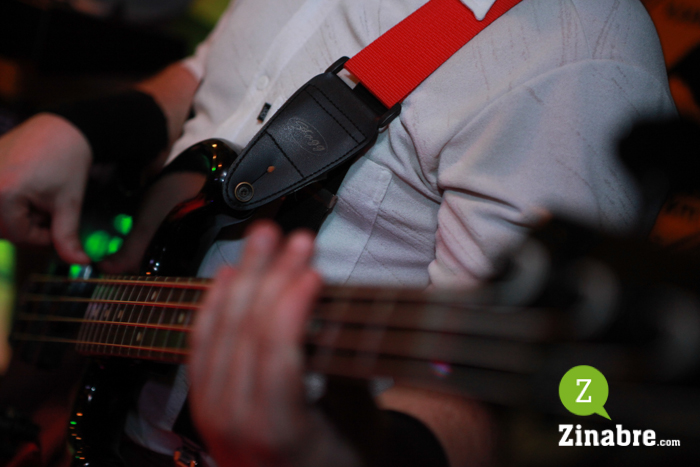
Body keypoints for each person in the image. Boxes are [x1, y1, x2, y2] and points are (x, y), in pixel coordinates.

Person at [0, 0, 677, 466]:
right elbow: (217, 76)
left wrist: (325, 454)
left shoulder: (579, 57)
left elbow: (485, 405)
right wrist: (82, 128)